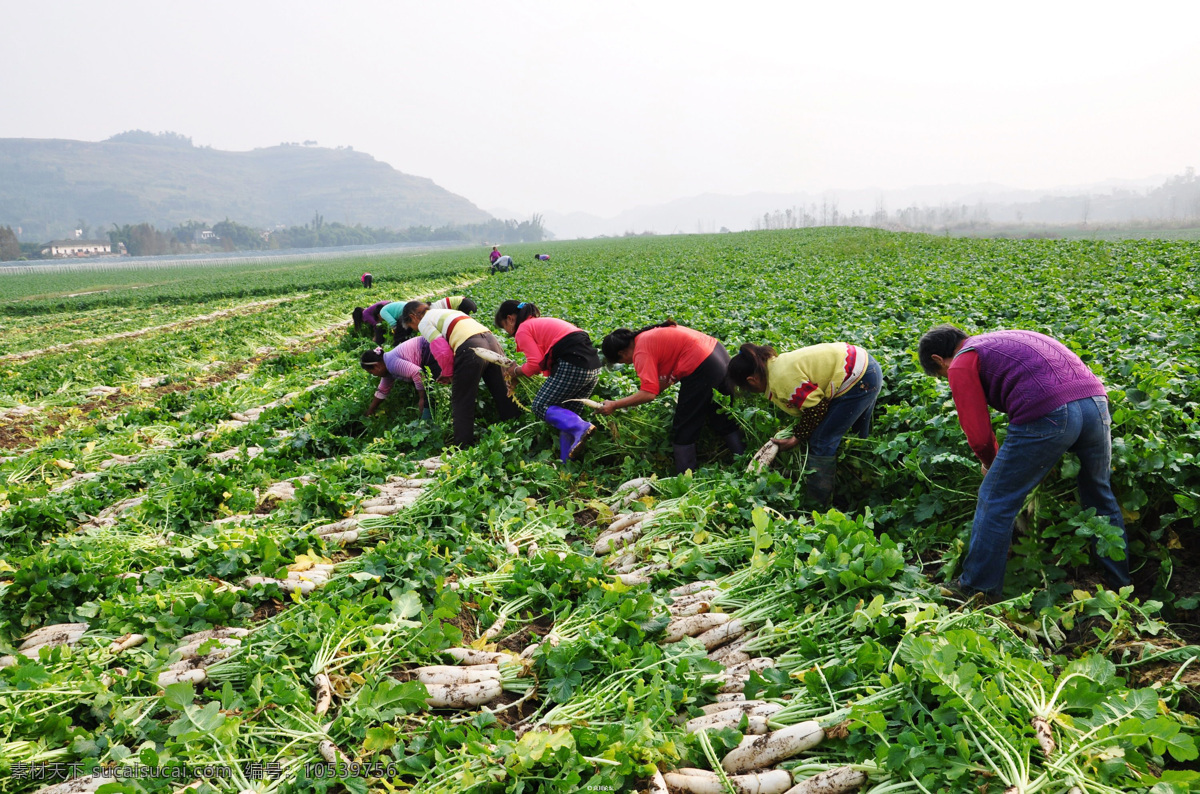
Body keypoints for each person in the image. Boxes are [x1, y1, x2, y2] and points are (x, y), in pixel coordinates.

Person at [917, 324, 1131, 599]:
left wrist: (990, 464)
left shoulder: (962, 361)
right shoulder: (1009, 337)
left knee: (996, 498)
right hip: (1095, 402)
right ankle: (1120, 584)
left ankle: (976, 588)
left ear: (938, 359)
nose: (947, 376)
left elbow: (980, 436)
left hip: (1050, 412)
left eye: (940, 374)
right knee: (1099, 492)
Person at [727, 342, 882, 505]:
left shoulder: (781, 380)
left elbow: (816, 408)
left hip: (858, 379)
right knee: (858, 433)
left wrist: (797, 437)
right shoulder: (774, 366)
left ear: (752, 380)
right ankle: (862, 482)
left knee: (821, 442)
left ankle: (818, 503)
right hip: (864, 366)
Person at [598, 321, 744, 473]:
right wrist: (631, 401)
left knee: (684, 428)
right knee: (722, 417)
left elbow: (649, 393)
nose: (627, 364)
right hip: (718, 355)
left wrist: (614, 404)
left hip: (701, 365)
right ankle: (744, 464)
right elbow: (659, 385)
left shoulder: (640, 351)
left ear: (621, 353)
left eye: (621, 361)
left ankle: (685, 478)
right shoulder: (647, 337)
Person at [400, 300, 521, 447]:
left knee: (462, 400)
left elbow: (443, 351)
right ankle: (517, 433)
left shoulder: (424, 322)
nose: (416, 330)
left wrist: (448, 373)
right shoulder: (447, 312)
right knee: (503, 391)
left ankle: (463, 448)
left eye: (412, 326)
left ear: (412, 317)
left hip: (471, 347)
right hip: (491, 342)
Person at [494, 300, 600, 461]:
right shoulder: (538, 324)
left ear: (510, 319)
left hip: (573, 364)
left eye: (504, 327)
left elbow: (535, 364)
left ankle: (581, 427)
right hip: (592, 366)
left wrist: (515, 371)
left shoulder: (523, 329)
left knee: (540, 406)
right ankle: (567, 465)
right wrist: (519, 373)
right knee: (568, 415)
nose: (508, 332)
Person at [360, 337, 453, 420]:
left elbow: (417, 372)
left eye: (371, 372)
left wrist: (422, 398)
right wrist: (370, 411)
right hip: (427, 353)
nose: (374, 375)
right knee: (429, 395)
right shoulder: (387, 368)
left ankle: (429, 424)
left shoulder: (392, 364)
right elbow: (382, 390)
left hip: (430, 352)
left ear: (377, 366)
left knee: (431, 398)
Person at [377, 296, 477, 346]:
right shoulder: (429, 311)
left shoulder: (428, 317)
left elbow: (394, 324)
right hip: (466, 302)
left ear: (413, 317)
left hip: (464, 304)